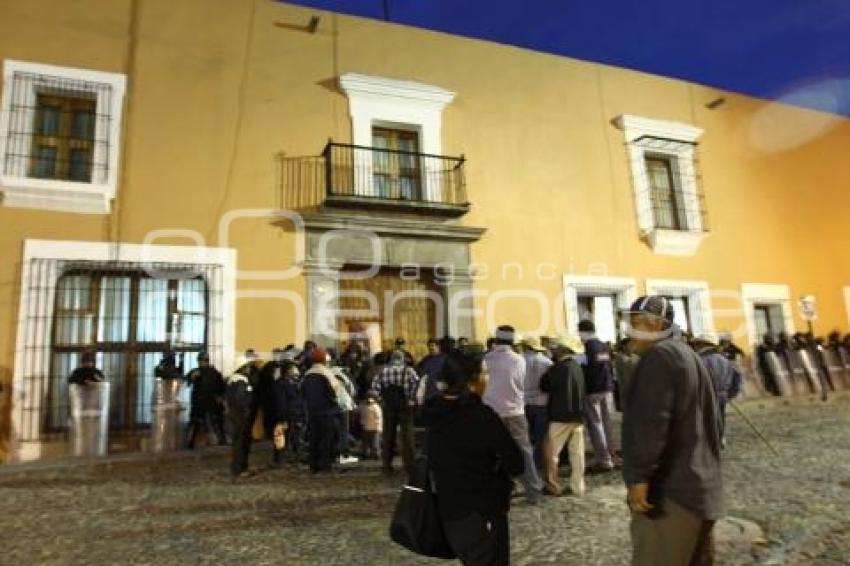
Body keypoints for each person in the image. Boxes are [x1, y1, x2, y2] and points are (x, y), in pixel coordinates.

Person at [622, 296, 724, 566]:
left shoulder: (658, 356)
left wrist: (639, 478)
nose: (627, 331)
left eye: (635, 323)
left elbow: (651, 423)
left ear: (656, 326)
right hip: (700, 490)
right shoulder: (688, 355)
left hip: (671, 496)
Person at [421, 345, 524, 565]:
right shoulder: (481, 417)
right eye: (485, 373)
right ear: (471, 380)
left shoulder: (433, 414)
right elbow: (516, 463)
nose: (487, 379)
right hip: (482, 510)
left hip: (450, 510)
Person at [483, 325, 544, 504]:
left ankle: (502, 489)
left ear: (496, 340)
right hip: (515, 411)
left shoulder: (487, 359)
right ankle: (533, 491)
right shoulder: (519, 360)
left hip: (493, 413)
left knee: (494, 454)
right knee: (525, 452)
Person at [539, 334, 586, 497]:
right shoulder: (577, 366)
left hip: (560, 415)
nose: (552, 351)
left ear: (561, 350)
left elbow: (544, 385)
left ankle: (552, 485)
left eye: (555, 348)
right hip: (578, 415)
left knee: (552, 452)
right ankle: (578, 486)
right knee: (577, 453)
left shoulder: (557, 368)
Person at [578, 320, 618, 472]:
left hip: (593, 389)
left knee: (595, 424)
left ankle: (603, 459)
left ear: (583, 331)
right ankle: (612, 455)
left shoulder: (588, 347)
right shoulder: (603, 345)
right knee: (606, 423)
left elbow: (587, 367)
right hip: (607, 388)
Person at [373, 350, 420, 476]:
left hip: (389, 407)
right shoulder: (409, 371)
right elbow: (417, 385)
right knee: (407, 437)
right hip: (405, 407)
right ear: (403, 358)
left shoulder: (383, 371)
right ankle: (410, 466)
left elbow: (375, 389)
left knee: (388, 436)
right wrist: (411, 399)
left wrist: (381, 400)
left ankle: (387, 466)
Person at [692, 337, 742, 447]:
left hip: (707, 394)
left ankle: (711, 441)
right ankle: (721, 438)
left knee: (708, 417)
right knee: (720, 416)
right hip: (722, 394)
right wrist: (730, 393)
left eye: (696, 345)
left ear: (701, 346)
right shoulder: (724, 359)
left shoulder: (700, 360)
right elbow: (737, 377)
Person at [301, 347, 341, 474]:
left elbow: (301, 392)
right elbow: (336, 393)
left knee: (314, 439)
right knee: (326, 439)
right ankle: (325, 464)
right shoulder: (327, 374)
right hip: (327, 412)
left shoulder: (307, 375)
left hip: (312, 412)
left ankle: (313, 465)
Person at [519, 336, 553, 470]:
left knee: (527, 436)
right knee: (541, 436)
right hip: (542, 401)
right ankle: (539, 462)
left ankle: (527, 462)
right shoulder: (546, 362)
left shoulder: (519, 361)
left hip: (524, 401)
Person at [226, 355, 262, 478]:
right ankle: (239, 468)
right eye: (247, 367)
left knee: (241, 441)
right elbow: (242, 400)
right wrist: (247, 407)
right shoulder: (240, 381)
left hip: (238, 415)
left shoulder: (237, 380)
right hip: (240, 416)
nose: (249, 369)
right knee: (241, 443)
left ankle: (242, 466)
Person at [185, 352, 227, 448]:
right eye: (201, 360)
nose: (202, 363)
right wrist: (192, 377)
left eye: (204, 360)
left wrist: (220, 398)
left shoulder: (214, 372)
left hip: (211, 400)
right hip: (198, 401)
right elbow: (187, 380)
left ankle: (222, 439)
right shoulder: (195, 371)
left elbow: (221, 386)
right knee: (196, 422)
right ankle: (190, 443)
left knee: (217, 421)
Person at [330, 357, 359, 465]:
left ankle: (333, 453)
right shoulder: (343, 373)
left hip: (330, 405)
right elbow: (352, 389)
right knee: (343, 430)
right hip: (344, 404)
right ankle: (344, 455)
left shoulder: (325, 374)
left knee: (333, 430)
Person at [415, 338, 449, 405]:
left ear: (438, 347)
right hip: (428, 390)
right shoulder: (426, 359)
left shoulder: (445, 358)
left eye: (433, 346)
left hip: (441, 389)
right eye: (429, 346)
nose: (431, 348)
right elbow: (419, 370)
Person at [359, 390, 382, 459]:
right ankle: (375, 454)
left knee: (367, 442)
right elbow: (379, 417)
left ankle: (366, 453)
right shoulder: (376, 407)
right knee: (374, 442)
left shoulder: (364, 406)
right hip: (375, 428)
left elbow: (362, 414)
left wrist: (362, 422)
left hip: (367, 427)